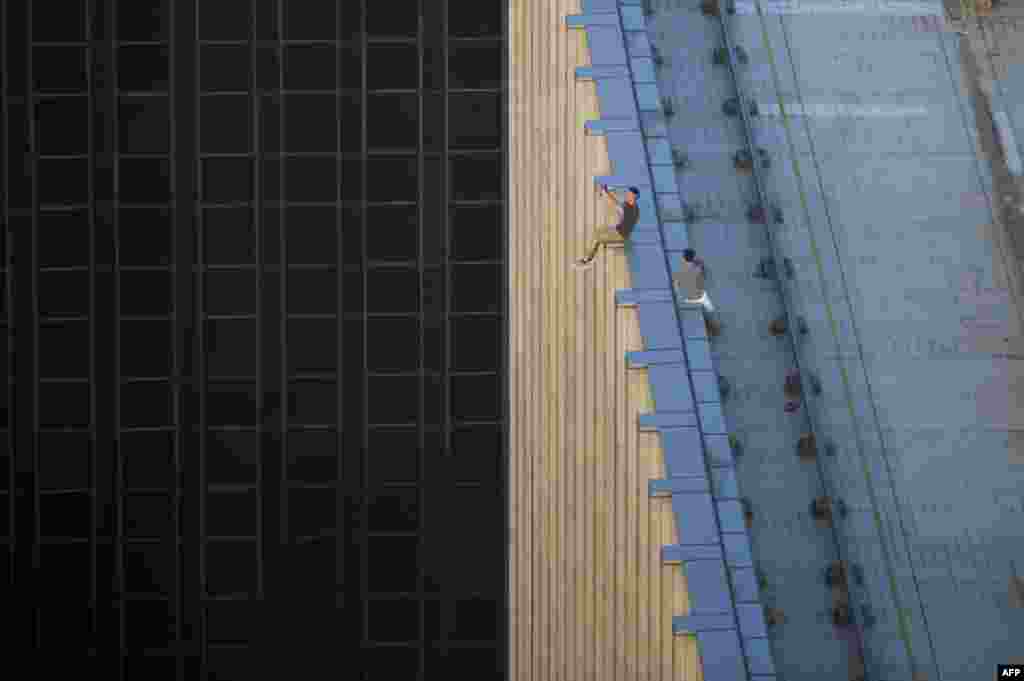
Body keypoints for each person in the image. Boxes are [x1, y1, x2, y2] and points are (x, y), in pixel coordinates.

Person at [573, 185, 640, 269]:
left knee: (596, 238)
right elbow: (620, 204)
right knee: (600, 229)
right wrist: (608, 192)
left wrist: (607, 192)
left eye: (629, 194)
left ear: (633, 196)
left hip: (619, 235)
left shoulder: (628, 208)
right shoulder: (635, 207)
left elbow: (615, 203)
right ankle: (603, 246)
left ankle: (587, 260)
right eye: (627, 193)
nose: (627, 195)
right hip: (618, 230)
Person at [673, 248, 720, 335]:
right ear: (693, 257)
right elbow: (702, 270)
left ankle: (709, 324)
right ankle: (714, 327)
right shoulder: (697, 269)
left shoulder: (680, 270)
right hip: (698, 297)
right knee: (710, 309)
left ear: (683, 258)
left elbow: (676, 285)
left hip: (685, 298)